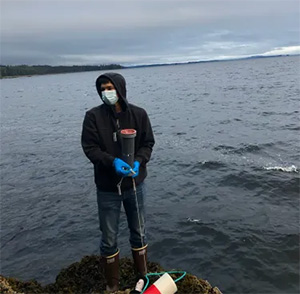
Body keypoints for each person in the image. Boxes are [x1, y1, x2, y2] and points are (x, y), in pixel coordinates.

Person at [81, 72, 155, 292]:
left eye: (110, 88)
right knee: (109, 236)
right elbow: (90, 148)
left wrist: (139, 162)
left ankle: (142, 277)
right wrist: (111, 162)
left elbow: (148, 143)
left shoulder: (139, 114)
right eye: (102, 88)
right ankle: (112, 285)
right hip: (107, 188)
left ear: (120, 89)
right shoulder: (93, 117)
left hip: (135, 185)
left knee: (139, 231)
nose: (106, 92)